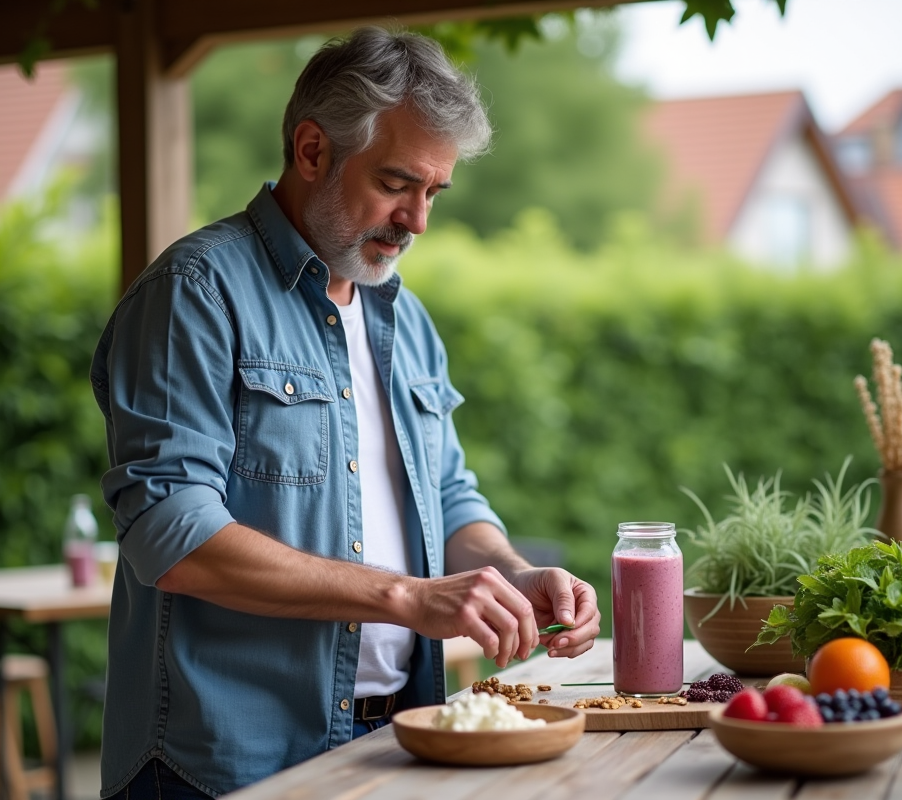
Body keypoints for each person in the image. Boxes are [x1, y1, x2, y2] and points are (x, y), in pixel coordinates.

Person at [90, 26, 600, 799]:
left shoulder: (408, 319)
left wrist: (515, 575)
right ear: (311, 151)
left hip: (399, 739)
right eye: (398, 183)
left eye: (434, 192)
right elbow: (172, 534)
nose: (418, 220)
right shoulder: (195, 293)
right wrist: (406, 594)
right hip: (221, 763)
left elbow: (450, 499)